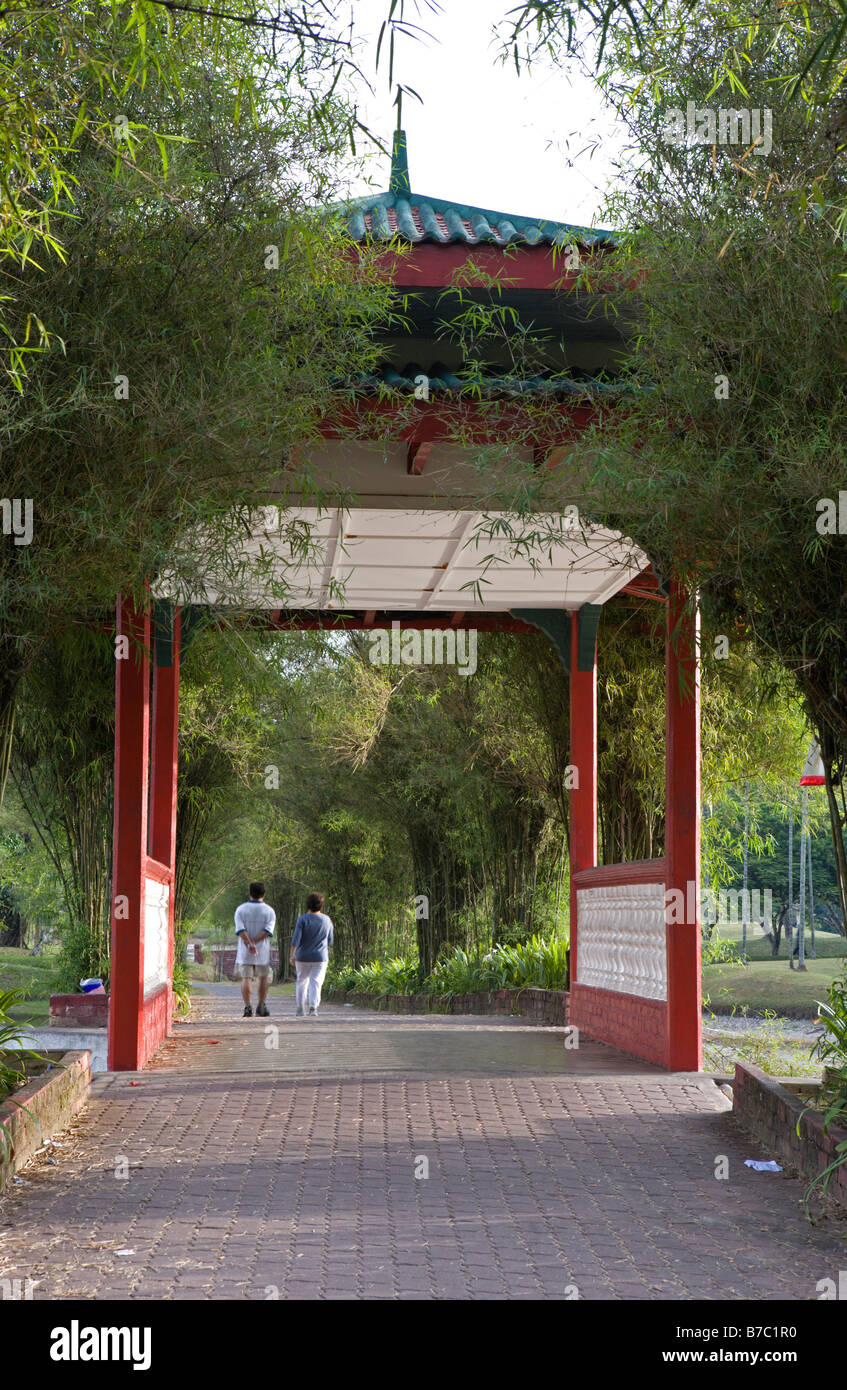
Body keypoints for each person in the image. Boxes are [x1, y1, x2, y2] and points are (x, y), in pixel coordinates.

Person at [235, 882, 276, 1018]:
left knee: (246, 978)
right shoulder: (269, 911)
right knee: (263, 978)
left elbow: (241, 930)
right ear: (264, 894)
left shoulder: (241, 909)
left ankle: (248, 1006)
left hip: (245, 951)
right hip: (262, 951)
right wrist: (255, 942)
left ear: (249, 893)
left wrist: (249, 943)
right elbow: (267, 931)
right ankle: (261, 1006)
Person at [290, 892, 333, 1018]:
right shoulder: (326, 920)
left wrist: (292, 955)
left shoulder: (302, 919)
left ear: (307, 904)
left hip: (302, 957)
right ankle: (313, 1008)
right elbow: (330, 940)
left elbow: (296, 940)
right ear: (321, 905)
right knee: (316, 982)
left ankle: (300, 1008)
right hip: (320, 957)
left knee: (301, 981)